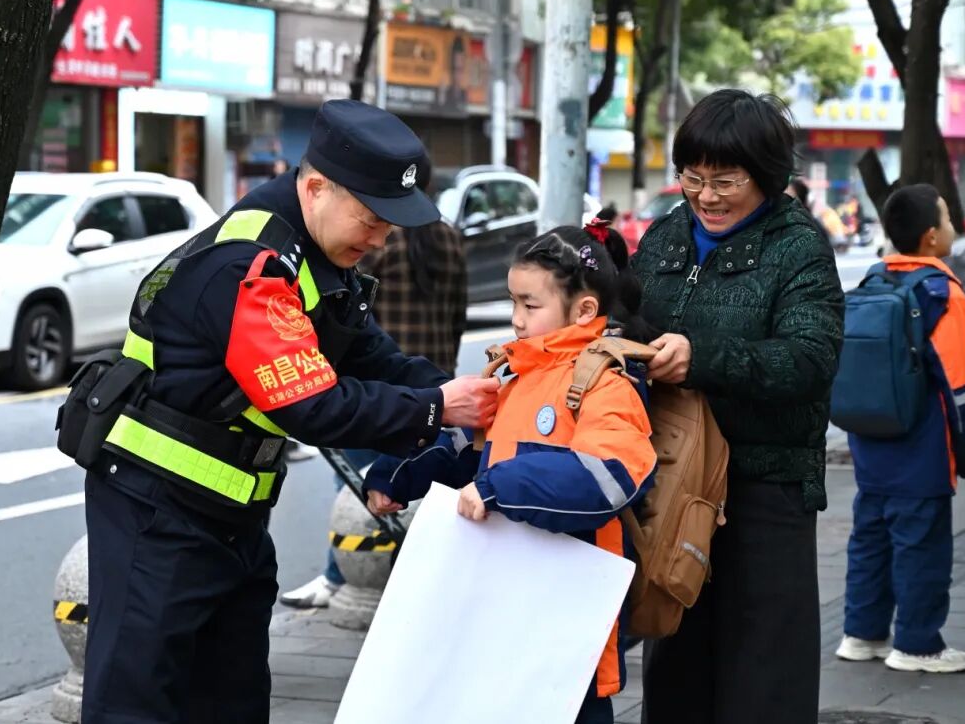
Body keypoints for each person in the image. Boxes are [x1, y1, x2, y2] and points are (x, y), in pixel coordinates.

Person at [79, 99, 499, 723]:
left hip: (232, 519)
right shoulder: (251, 266)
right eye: (373, 218)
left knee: (234, 703)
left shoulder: (320, 252)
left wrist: (469, 398)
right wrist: (437, 408)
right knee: (137, 704)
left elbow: (371, 356)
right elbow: (309, 404)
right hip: (157, 514)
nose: (382, 238)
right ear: (316, 186)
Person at [364, 223, 657, 724]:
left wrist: (499, 487)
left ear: (584, 310)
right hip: (509, 590)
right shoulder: (517, 373)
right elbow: (466, 445)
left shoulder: (606, 382)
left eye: (531, 305)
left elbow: (610, 474)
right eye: (513, 303)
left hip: (570, 605)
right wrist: (394, 475)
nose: (518, 320)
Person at [632, 89, 844, 724]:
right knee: (675, 665)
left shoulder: (798, 245)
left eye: (726, 180)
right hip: (674, 484)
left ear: (768, 176)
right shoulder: (667, 234)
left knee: (765, 675)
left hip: (763, 489)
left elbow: (809, 360)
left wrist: (702, 359)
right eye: (693, 178)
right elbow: (629, 315)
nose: (707, 196)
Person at [279, 202, 468, 609]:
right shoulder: (451, 237)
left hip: (375, 386)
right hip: (433, 377)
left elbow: (352, 318)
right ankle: (415, 589)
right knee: (430, 491)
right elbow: (458, 314)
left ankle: (337, 578)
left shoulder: (375, 239)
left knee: (357, 487)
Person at [838, 184, 965, 673]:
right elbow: (961, 383)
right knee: (921, 544)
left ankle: (861, 634)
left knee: (870, 538)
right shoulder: (943, 291)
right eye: (946, 219)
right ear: (930, 237)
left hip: (869, 438)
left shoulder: (874, 279)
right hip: (922, 444)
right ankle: (918, 644)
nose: (952, 227)